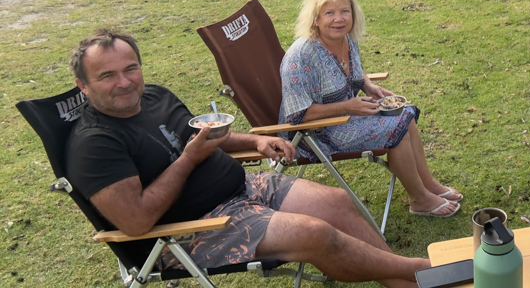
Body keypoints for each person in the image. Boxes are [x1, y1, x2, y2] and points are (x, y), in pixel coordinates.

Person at [65, 29, 429, 288]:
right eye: (107, 76)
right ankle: (420, 269)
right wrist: (190, 160)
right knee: (316, 234)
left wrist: (254, 140)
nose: (125, 82)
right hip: (194, 229)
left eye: (131, 69)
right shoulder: (95, 144)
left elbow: (200, 136)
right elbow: (137, 220)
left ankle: (404, 282)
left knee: (336, 200)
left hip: (241, 187)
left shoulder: (156, 96)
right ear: (84, 86)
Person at [280, 0, 462, 218]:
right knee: (396, 127)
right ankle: (419, 199)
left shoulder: (347, 39)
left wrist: (367, 85)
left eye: (345, 11)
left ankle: (428, 184)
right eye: (330, 13)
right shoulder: (301, 56)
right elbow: (297, 116)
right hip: (314, 133)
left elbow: (350, 69)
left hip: (349, 114)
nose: (339, 19)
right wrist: (348, 106)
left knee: (404, 114)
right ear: (316, 18)